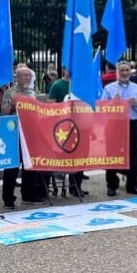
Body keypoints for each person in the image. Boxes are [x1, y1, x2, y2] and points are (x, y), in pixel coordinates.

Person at [1, 64, 46, 206]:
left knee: (29, 166)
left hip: (30, 134)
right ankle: (8, 198)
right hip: (15, 135)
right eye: (24, 75)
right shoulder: (10, 92)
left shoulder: (33, 93)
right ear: (17, 77)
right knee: (12, 167)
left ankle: (29, 195)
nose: (27, 78)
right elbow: (4, 112)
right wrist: (11, 104)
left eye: (29, 75)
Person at [101, 61, 137, 196]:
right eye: (122, 70)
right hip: (114, 124)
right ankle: (112, 185)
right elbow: (102, 108)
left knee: (133, 154)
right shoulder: (109, 88)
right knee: (112, 154)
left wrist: (136, 104)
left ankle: (132, 184)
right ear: (117, 72)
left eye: (127, 70)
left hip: (131, 123)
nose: (125, 73)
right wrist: (112, 103)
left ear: (130, 72)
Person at [47, 67, 86, 198]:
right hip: (63, 128)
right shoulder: (57, 85)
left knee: (80, 158)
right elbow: (51, 105)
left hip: (80, 126)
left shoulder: (79, 85)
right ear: (64, 69)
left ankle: (76, 186)